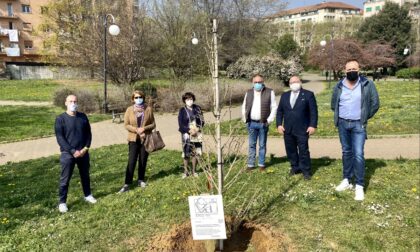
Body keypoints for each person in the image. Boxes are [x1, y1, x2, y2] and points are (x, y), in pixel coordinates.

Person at [331, 59, 380, 201]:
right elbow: (334, 104)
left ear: (359, 70)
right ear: (345, 71)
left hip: (359, 124)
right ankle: (346, 179)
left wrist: (364, 116)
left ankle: (359, 185)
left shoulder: (367, 84)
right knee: (346, 152)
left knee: (358, 154)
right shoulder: (339, 85)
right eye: (348, 69)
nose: (351, 71)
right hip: (342, 124)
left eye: (354, 68)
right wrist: (341, 117)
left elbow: (375, 103)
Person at [55, 94, 96, 213]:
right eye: (71, 101)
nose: (73, 103)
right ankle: (62, 202)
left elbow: (89, 134)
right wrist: (73, 151)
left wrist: (85, 148)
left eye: (75, 101)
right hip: (68, 154)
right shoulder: (60, 119)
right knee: (65, 179)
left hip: (83, 153)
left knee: (85, 175)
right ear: (66, 103)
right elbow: (60, 138)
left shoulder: (83, 117)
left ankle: (87, 195)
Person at [276, 76, 318, 180]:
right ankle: (295, 167)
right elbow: (280, 111)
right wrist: (279, 124)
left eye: (296, 81)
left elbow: (313, 112)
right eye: (291, 82)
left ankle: (306, 171)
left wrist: (312, 125)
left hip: (302, 128)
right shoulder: (285, 95)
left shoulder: (308, 94)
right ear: (289, 84)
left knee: (303, 150)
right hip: (288, 129)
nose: (294, 83)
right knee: (290, 150)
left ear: (300, 82)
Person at [119, 90, 156, 193]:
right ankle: (127, 183)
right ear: (133, 99)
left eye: (140, 97)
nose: (138, 99)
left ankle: (141, 179)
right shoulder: (129, 110)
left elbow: (153, 124)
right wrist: (136, 130)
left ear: (143, 98)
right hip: (133, 139)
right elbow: (126, 124)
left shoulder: (148, 109)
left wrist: (144, 128)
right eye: (136, 97)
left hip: (145, 138)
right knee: (131, 161)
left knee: (143, 160)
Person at [241, 74, 277, 171]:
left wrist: (269, 121)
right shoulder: (248, 92)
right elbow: (244, 106)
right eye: (255, 82)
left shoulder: (270, 92)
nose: (257, 84)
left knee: (262, 145)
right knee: (251, 144)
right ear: (252, 83)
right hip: (251, 123)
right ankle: (251, 164)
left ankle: (261, 164)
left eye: (259, 82)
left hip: (263, 123)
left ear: (263, 82)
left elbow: (274, 107)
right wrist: (245, 119)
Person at [178, 92, 204, 178]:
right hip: (186, 134)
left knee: (196, 152)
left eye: (191, 99)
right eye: (188, 99)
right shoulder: (182, 110)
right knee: (186, 152)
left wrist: (197, 129)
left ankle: (194, 171)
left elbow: (202, 121)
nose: (190, 101)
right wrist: (189, 130)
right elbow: (181, 124)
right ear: (184, 101)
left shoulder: (198, 108)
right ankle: (185, 172)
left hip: (197, 133)